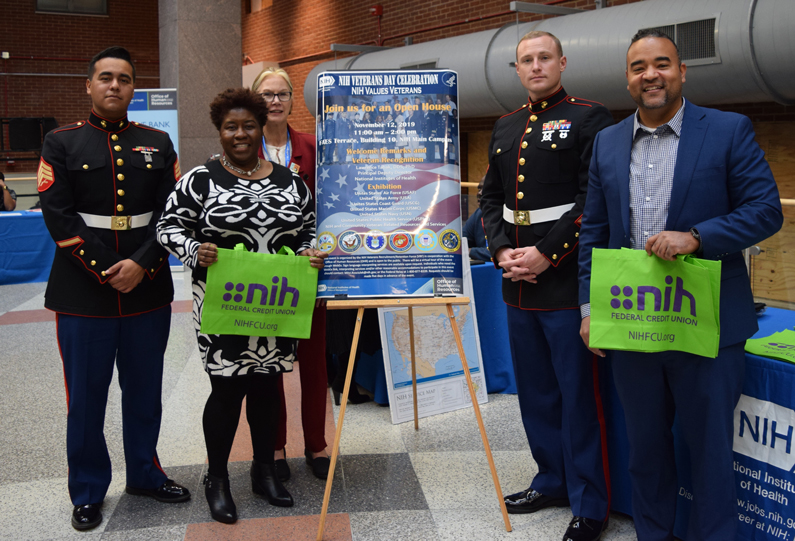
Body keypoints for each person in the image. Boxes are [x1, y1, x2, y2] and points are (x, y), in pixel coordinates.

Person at [578, 30, 783, 541]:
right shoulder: (607, 141)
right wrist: (588, 309)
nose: (651, 75)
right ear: (628, 78)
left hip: (706, 327)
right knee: (646, 452)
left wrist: (698, 237)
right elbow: (595, 233)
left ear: (682, 72)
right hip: (631, 323)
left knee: (710, 455)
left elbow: (766, 211)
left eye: (662, 64)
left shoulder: (727, 130)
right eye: (639, 67)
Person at [37, 46, 190, 532]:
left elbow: (171, 212)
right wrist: (108, 270)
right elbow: (59, 217)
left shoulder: (157, 142)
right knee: (86, 399)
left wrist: (142, 263)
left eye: (123, 79)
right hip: (84, 294)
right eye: (105, 77)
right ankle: (87, 490)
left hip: (146, 290)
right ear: (89, 85)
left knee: (144, 392)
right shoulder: (61, 142)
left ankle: (145, 473)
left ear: (132, 88)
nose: (114, 85)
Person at [157, 88, 326, 524]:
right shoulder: (199, 180)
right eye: (231, 126)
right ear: (220, 131)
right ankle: (216, 479)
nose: (240, 133)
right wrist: (194, 250)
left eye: (248, 125)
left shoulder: (290, 181)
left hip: (277, 303)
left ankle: (264, 471)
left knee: (268, 387)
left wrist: (310, 252)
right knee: (227, 390)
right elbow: (167, 227)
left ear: (260, 128)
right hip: (223, 305)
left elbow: (309, 230)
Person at [479, 31, 614, 541]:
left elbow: (592, 199)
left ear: (562, 62)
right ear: (517, 69)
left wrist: (546, 253)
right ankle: (551, 480)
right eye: (526, 60)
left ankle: (590, 504)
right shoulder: (505, 124)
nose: (535, 66)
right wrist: (500, 251)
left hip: (564, 283)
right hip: (517, 285)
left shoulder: (589, 118)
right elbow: (490, 198)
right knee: (535, 394)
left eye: (544, 58)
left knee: (578, 399)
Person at [251, 66, 331, 481]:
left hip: (310, 268)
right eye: (267, 94)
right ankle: (275, 445)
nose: (275, 101)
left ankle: (316, 444)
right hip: (262, 274)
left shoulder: (313, 147)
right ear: (255, 100)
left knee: (314, 363)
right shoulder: (242, 147)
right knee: (268, 364)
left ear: (292, 101)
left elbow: (332, 204)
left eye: (282, 94)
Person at [462, 179, 490, 262]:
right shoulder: (478, 213)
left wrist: (470, 251)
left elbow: (505, 252)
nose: (479, 193)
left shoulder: (509, 215)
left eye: (485, 189)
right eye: (479, 189)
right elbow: (461, 243)